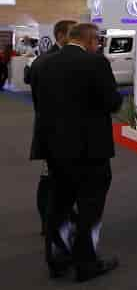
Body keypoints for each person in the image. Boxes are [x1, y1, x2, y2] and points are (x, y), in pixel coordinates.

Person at [31, 23, 122, 282]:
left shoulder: (42, 63)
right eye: (98, 40)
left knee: (58, 205)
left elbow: (38, 104)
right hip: (90, 149)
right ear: (90, 40)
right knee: (90, 206)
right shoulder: (96, 63)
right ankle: (86, 263)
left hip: (53, 148)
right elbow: (112, 102)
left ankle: (57, 261)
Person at [29, 20, 77, 236]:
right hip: (54, 131)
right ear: (60, 35)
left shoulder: (54, 59)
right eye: (72, 33)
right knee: (50, 180)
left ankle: (59, 219)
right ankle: (49, 222)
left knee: (59, 179)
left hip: (60, 130)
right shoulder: (47, 60)